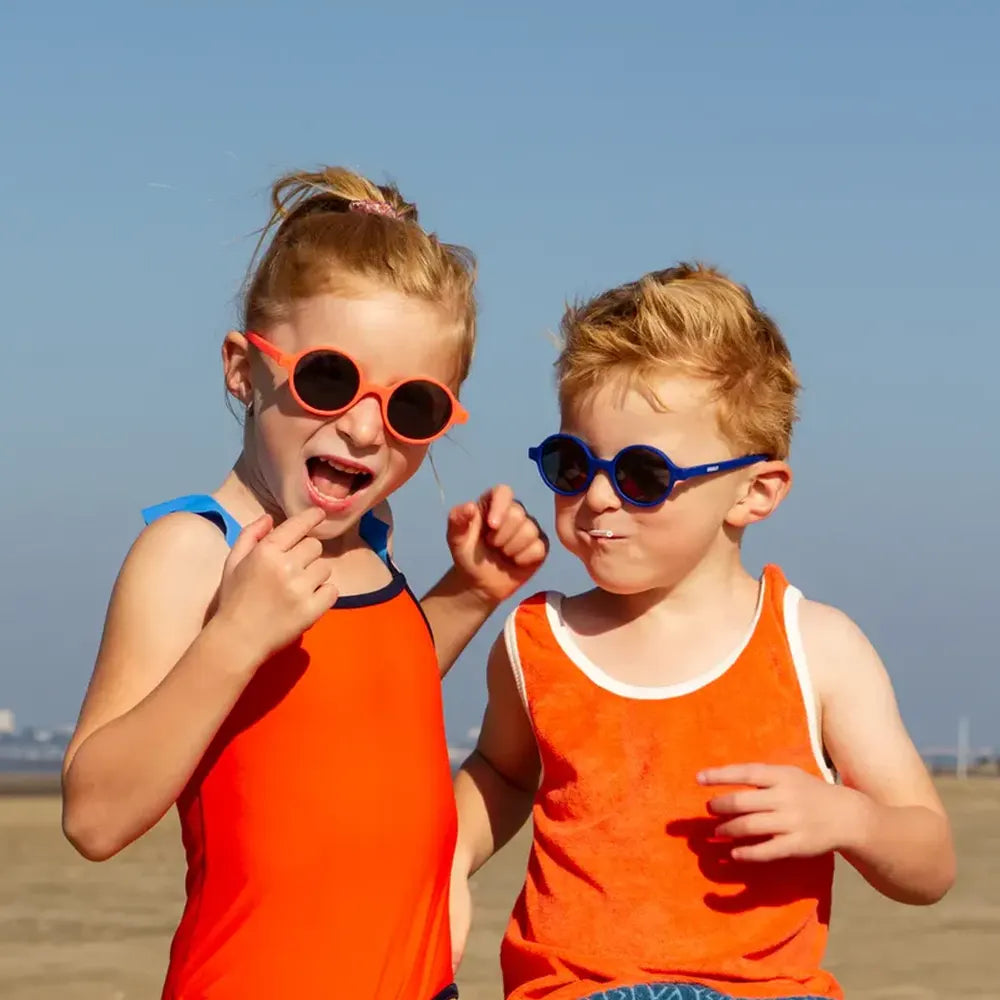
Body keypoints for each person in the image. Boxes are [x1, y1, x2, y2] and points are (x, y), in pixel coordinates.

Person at [61, 166, 547, 1000]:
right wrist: (236, 636)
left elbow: (353, 700)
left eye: (413, 406)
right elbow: (94, 818)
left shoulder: (373, 540)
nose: (362, 427)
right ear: (245, 369)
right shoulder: (194, 552)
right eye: (329, 378)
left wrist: (468, 593)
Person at [451, 263, 955, 1000]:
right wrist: (435, 863)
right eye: (571, 465)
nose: (595, 497)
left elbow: (931, 861)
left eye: (643, 475)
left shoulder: (816, 647)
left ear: (755, 492)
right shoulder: (539, 641)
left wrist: (849, 818)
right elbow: (501, 775)